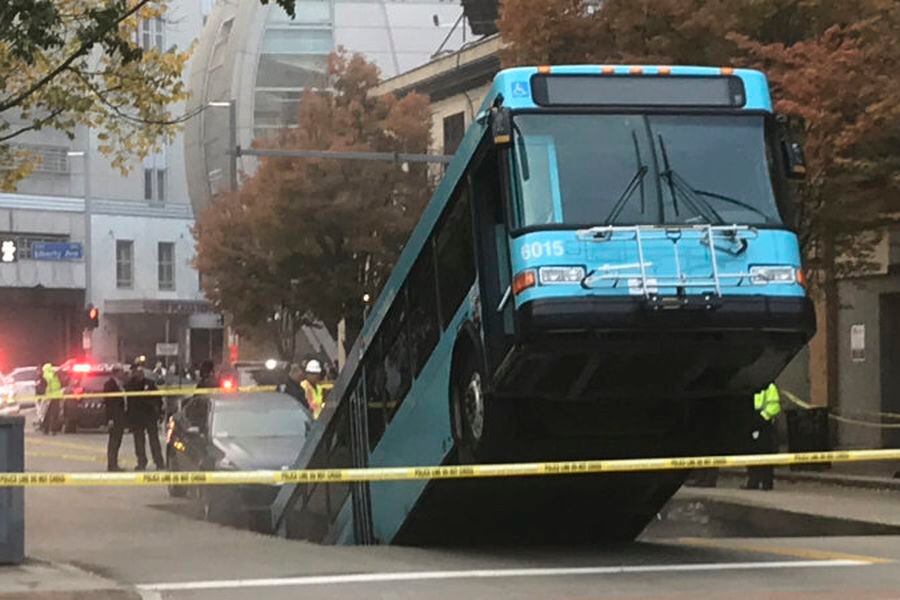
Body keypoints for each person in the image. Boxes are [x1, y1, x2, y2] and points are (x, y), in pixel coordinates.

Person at [125, 363, 165, 471]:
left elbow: (158, 399)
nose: (136, 374)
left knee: (154, 440)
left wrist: (159, 413)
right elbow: (128, 403)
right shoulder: (129, 385)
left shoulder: (150, 384)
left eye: (138, 372)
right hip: (137, 417)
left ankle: (159, 462)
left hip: (149, 416)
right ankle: (141, 462)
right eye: (134, 372)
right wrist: (129, 418)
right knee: (139, 441)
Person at [744, 382, 781, 491]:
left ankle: (767, 482)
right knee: (750, 452)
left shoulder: (769, 386)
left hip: (765, 423)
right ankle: (753, 481)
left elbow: (774, 406)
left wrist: (762, 418)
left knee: (765, 452)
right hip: (751, 421)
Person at [104, 366, 127, 472]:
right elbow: (109, 403)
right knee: (113, 441)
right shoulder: (109, 385)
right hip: (114, 417)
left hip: (121, 416)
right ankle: (111, 464)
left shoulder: (121, 384)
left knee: (118, 441)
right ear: (116, 373)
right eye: (121, 371)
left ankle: (114, 463)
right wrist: (110, 418)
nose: (123, 373)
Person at [38, 363, 62, 435]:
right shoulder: (54, 374)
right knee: (55, 414)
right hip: (56, 396)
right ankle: (54, 430)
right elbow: (59, 384)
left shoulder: (45, 375)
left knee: (46, 413)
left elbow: (43, 386)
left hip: (48, 397)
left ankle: (46, 429)